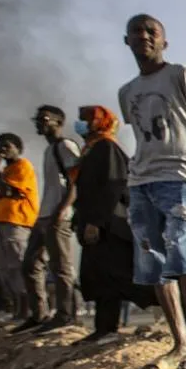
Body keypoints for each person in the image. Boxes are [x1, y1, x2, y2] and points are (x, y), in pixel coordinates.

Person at [118, 13, 186, 369]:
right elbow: (143, 137)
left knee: (180, 245)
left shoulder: (181, 75)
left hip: (181, 173)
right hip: (142, 178)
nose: (145, 37)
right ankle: (178, 342)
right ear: (126, 40)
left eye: (153, 32)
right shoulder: (127, 92)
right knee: (152, 257)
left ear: (164, 41)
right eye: (138, 32)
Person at [71, 105, 158, 344]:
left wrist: (96, 222)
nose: (80, 124)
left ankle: (178, 314)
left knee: (122, 278)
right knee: (101, 279)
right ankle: (104, 328)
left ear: (100, 122)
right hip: (97, 224)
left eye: (85, 120)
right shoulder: (91, 150)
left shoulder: (106, 148)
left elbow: (113, 186)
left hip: (109, 225)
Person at [18, 105, 82, 332]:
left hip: (58, 216)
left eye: (45, 119)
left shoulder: (65, 146)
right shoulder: (49, 150)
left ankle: (66, 316)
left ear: (58, 122)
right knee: (30, 264)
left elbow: (76, 181)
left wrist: (62, 210)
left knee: (61, 266)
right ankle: (39, 315)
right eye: (38, 119)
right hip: (44, 215)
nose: (40, 123)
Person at [0, 133, 39, 323]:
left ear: (18, 147)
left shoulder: (22, 166)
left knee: (17, 266)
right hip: (1, 222)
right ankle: (17, 311)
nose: (3, 149)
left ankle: (26, 312)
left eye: (7, 146)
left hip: (17, 222)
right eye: (0, 146)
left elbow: (9, 191)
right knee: (4, 269)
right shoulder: (7, 171)